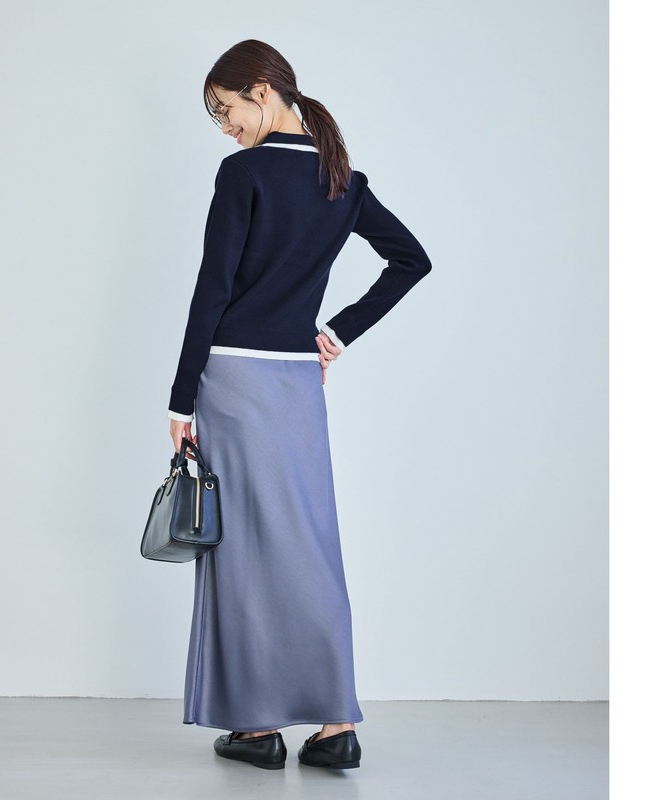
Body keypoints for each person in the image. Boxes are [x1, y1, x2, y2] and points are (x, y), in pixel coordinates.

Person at [166, 39, 432, 771]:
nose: (227, 128)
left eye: (227, 110)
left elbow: (212, 291)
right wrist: (336, 332)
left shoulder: (244, 174)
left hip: (233, 377)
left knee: (242, 550)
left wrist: (181, 400)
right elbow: (411, 260)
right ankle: (336, 724)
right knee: (309, 543)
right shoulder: (340, 178)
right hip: (296, 383)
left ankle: (256, 729)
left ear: (261, 89)